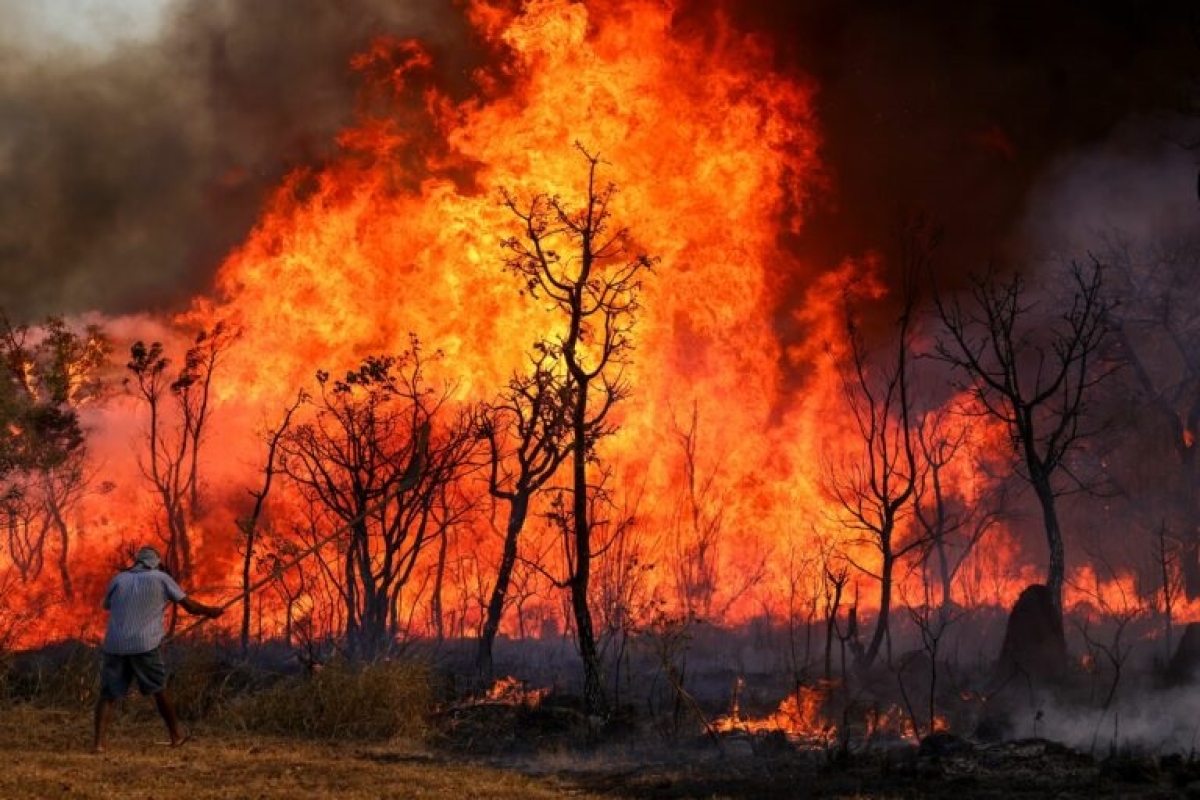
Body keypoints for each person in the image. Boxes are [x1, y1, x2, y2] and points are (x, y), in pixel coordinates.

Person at [92, 545, 223, 753]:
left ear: (137, 562)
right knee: (159, 689)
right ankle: (176, 735)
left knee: (107, 694)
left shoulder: (119, 579)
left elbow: (107, 605)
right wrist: (211, 611)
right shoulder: (161, 578)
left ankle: (98, 744)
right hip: (144, 645)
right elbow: (190, 606)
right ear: (155, 563)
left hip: (115, 644)